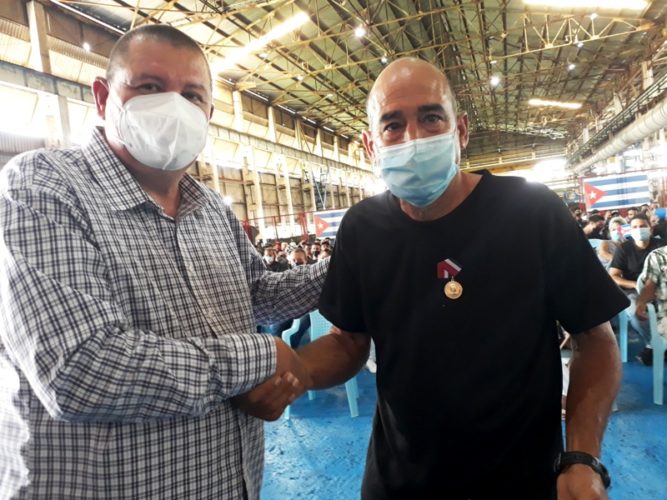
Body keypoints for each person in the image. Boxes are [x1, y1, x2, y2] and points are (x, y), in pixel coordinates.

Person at [0, 25, 322, 499]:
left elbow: (258, 294)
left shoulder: (210, 208)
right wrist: (260, 356)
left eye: (191, 96)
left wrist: (356, 259)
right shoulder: (43, 187)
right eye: (149, 87)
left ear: (208, 114)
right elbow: (80, 369)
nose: (173, 107)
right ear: (103, 97)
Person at [279, 58, 625, 498]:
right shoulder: (362, 228)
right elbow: (348, 341)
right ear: (370, 145)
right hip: (398, 482)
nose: (414, 138)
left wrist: (582, 458)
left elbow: (594, 339)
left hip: (520, 481)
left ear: (460, 130)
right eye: (393, 125)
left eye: (431, 118)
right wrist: (294, 371)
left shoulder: (531, 212)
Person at [609, 213, 665, 363]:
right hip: (633, 290)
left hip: (659, 287)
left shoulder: (661, 246)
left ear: (650, 228)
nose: (639, 229)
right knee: (635, 312)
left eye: (643, 226)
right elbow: (613, 275)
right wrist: (635, 284)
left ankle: (655, 347)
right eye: (635, 227)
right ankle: (653, 344)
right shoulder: (624, 249)